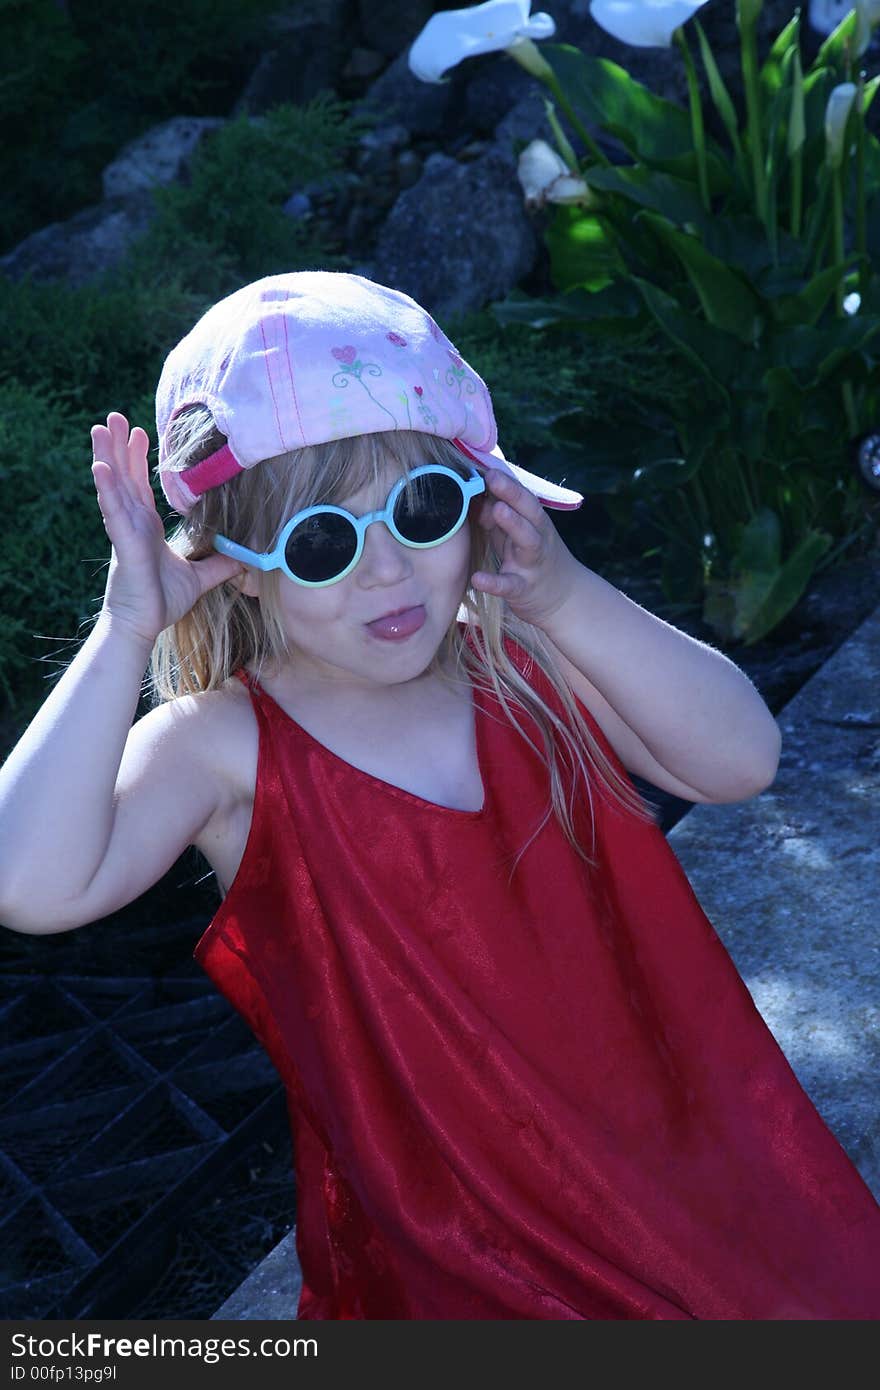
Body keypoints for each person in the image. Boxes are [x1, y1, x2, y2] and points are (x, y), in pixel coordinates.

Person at [1, 270, 878, 1321]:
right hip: (453, 1246)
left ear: (480, 504)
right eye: (322, 540)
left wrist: (562, 591)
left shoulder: (527, 663)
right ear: (235, 565)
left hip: (677, 1177)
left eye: (421, 509)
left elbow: (742, 759)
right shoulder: (226, 743)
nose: (386, 572)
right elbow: (30, 884)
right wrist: (125, 630)